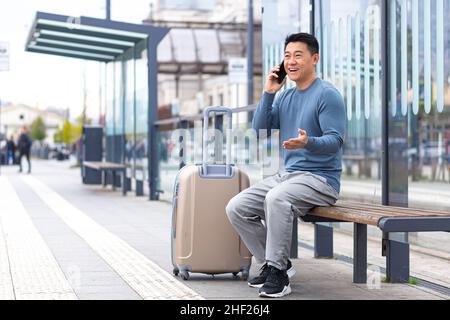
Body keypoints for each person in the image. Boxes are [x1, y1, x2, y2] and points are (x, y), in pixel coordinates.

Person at [226, 33, 346, 298]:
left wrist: (308, 142)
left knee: (276, 198)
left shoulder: (328, 95)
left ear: (314, 59)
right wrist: (269, 92)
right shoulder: (285, 97)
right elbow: (259, 130)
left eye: (298, 55)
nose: (291, 61)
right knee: (237, 207)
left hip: (321, 179)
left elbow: (336, 141)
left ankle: (278, 272)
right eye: (287, 56)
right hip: (289, 176)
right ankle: (275, 264)